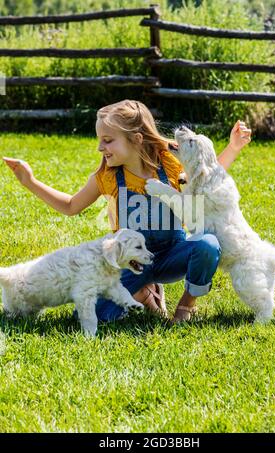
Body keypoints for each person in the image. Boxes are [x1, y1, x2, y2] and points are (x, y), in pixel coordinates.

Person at [2, 99, 251, 324]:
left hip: (172, 254)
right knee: (94, 315)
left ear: (137, 139)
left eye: (108, 140)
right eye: (100, 140)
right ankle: (145, 293)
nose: (101, 147)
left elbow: (204, 172)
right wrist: (30, 182)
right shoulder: (107, 177)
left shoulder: (169, 164)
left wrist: (233, 147)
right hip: (128, 263)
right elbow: (70, 206)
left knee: (207, 245)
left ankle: (186, 306)